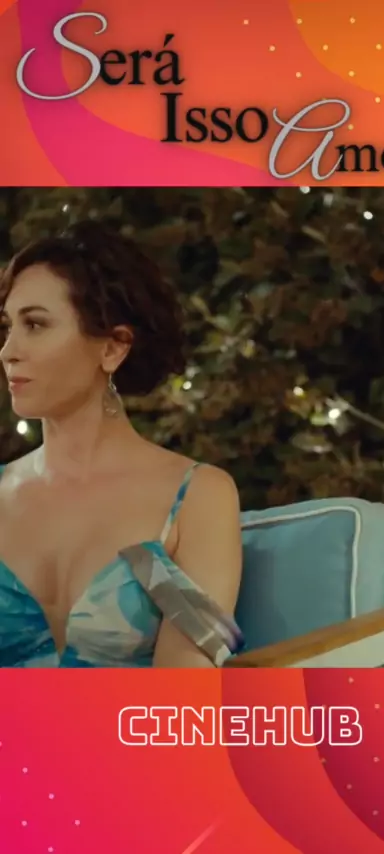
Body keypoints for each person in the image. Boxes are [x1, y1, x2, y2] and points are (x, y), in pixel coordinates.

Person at [0, 219, 244, 668]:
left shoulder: (199, 497)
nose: (8, 351)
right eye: (7, 326)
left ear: (113, 347)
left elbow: (184, 694)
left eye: (35, 324)